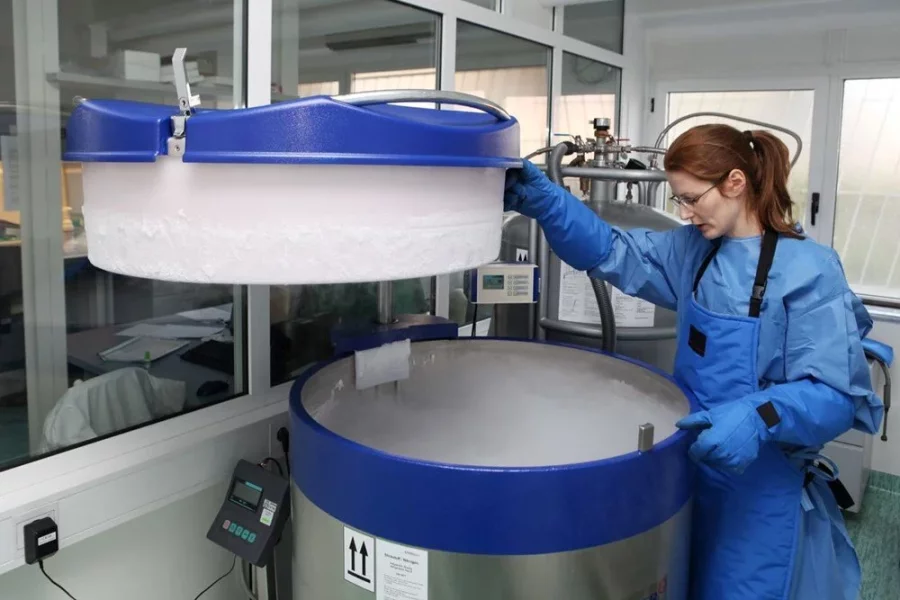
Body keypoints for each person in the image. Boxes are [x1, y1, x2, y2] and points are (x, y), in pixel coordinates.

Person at [504, 124, 883, 600]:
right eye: (677, 200)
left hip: (760, 489)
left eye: (692, 199)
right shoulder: (692, 251)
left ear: (735, 183)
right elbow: (613, 250)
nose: (684, 213)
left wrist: (759, 415)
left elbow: (836, 395)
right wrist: (549, 204)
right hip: (688, 468)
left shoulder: (810, 270)